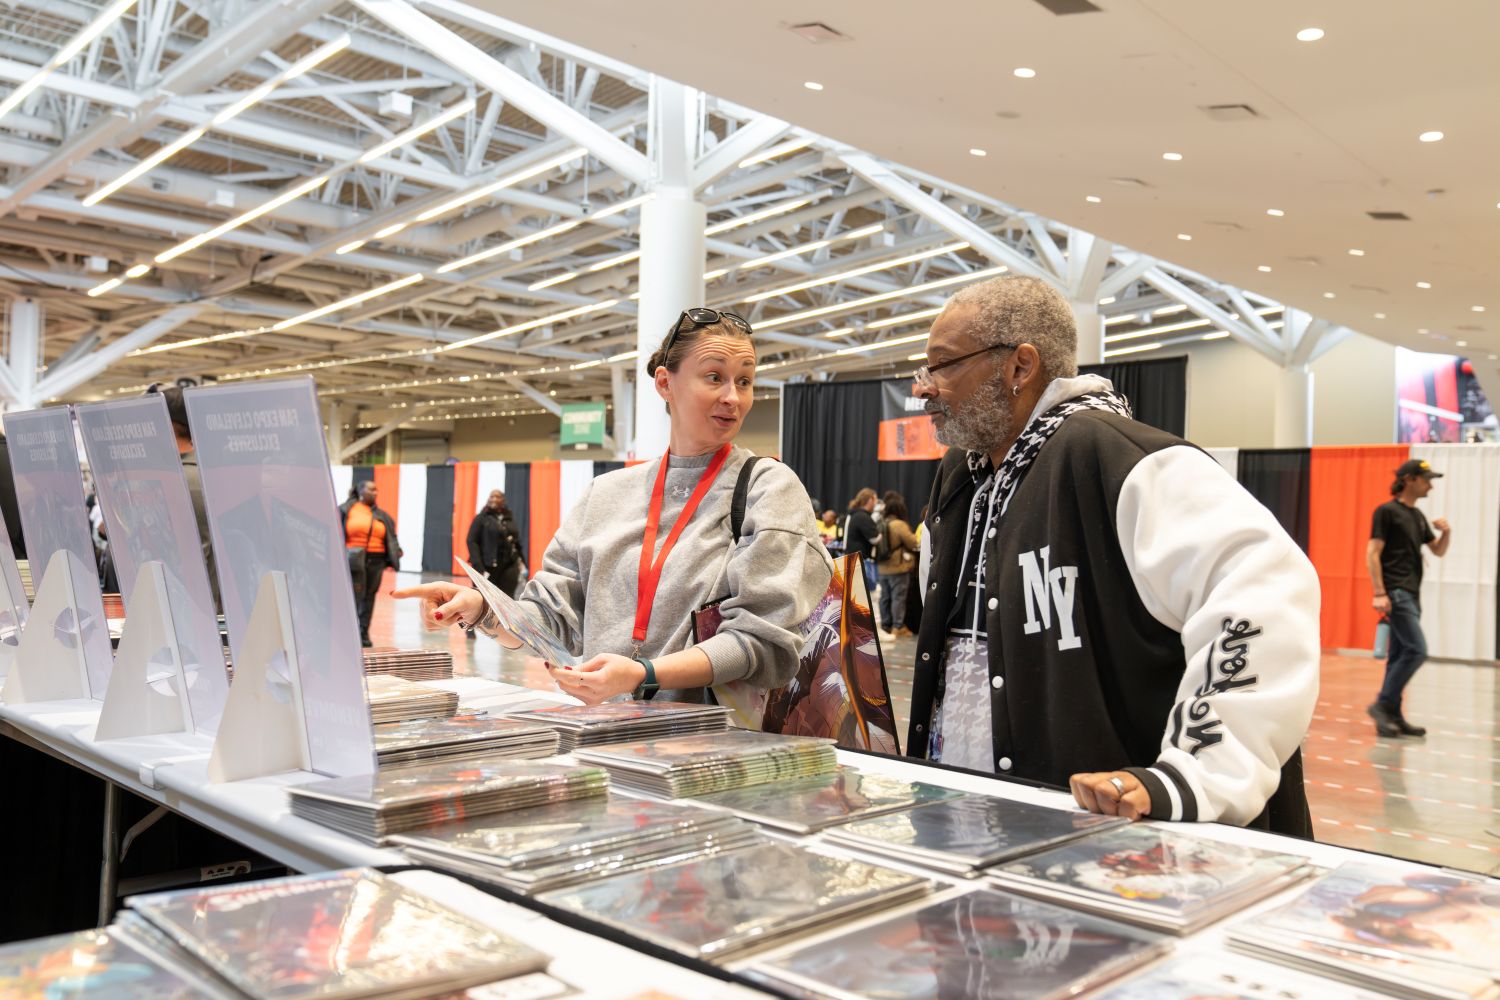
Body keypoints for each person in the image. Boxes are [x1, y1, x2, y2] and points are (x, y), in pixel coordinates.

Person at [907, 275, 1320, 835]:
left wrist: (1195, 774)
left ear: (1019, 367)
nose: (924, 389)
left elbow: (1264, 589)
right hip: (982, 827)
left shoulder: (1121, 459)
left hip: (1121, 847)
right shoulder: (962, 479)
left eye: (944, 365)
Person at [396, 307, 833, 705]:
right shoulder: (605, 494)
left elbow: (763, 639)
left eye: (744, 380)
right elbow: (552, 621)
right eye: (714, 377)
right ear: (666, 383)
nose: (733, 398)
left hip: (715, 754)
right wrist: (484, 610)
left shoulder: (768, 488)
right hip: (608, 742)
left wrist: (643, 674)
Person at [1365, 459, 1450, 738]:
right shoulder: (1387, 511)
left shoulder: (1417, 516)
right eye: (1427, 479)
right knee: (1416, 650)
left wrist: (1445, 533)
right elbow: (1373, 553)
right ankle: (1382, 705)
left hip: (1412, 593)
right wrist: (1379, 592)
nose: (1431, 485)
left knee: (1399, 655)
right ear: (1410, 479)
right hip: (1396, 591)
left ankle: (1392, 719)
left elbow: (1437, 551)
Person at [147, 384, 221, 609]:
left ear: (167, 426)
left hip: (188, 621)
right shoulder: (196, 475)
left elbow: (189, 566)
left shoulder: (187, 483)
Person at [340, 480, 402, 647]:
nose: (375, 493)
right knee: (354, 596)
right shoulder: (346, 510)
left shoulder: (381, 515)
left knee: (369, 596)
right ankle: (348, 632)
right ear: (361, 491)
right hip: (354, 559)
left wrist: (396, 551)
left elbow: (391, 537)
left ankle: (363, 633)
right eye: (372, 489)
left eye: (377, 490)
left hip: (377, 560)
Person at [875, 491, 919, 640]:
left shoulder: (880, 522)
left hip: (882, 567)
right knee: (898, 597)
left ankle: (886, 625)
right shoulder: (899, 524)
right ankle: (898, 627)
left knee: (885, 597)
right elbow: (913, 542)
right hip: (898, 567)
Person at [467, 489, 525, 597]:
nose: (494, 499)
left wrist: (522, 562)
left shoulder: (509, 518)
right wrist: (478, 566)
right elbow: (471, 541)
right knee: (484, 598)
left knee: (507, 598)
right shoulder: (481, 518)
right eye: (492, 497)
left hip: (509, 565)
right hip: (487, 566)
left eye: (497, 497)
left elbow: (516, 542)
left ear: (503, 500)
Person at [841, 488, 880, 596]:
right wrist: (882, 532)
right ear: (870, 500)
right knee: (866, 595)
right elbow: (875, 539)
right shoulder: (862, 516)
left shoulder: (854, 514)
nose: (876, 503)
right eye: (876, 500)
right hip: (860, 561)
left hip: (853, 559)